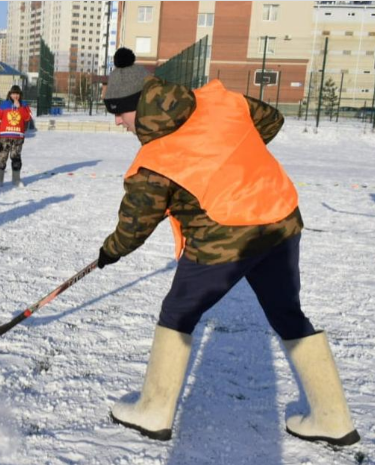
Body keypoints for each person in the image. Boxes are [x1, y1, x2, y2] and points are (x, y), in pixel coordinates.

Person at [99, 48, 359, 446]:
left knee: (178, 312)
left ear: (136, 104)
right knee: (287, 313)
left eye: (118, 111)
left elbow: (135, 226)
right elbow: (270, 118)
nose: (117, 121)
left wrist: (110, 250)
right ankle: (332, 417)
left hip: (225, 235)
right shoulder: (217, 101)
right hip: (278, 218)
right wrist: (233, 157)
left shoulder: (155, 159)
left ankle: (153, 410)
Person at [0, 85, 32, 187]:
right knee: (2, 157)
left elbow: (27, 118)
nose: (15, 96)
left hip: (18, 137)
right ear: (10, 94)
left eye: (17, 93)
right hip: (4, 137)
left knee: (16, 157)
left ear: (20, 95)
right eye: (13, 93)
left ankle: (16, 180)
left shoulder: (24, 105)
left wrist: (20, 108)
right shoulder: (4, 105)